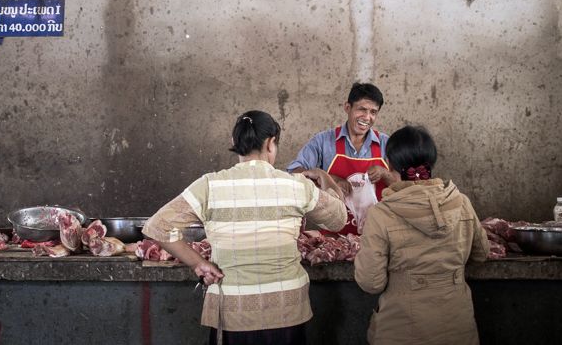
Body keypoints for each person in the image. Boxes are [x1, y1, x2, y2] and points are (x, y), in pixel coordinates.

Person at [142, 110, 347, 345]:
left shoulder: (210, 185)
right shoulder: (297, 186)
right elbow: (338, 219)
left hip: (233, 313)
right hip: (286, 311)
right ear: (271, 143)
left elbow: (157, 226)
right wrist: (326, 178)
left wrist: (198, 263)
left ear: (234, 143)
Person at [353, 125, 490, 345]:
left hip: (400, 330)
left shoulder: (381, 214)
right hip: (458, 329)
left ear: (389, 163)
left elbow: (371, 282)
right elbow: (481, 254)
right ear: (431, 163)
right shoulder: (461, 202)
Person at [288, 82, 398, 235]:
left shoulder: (386, 143)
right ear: (347, 107)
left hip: (379, 237)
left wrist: (385, 174)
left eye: (373, 112)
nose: (367, 117)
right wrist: (329, 178)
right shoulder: (323, 141)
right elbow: (294, 174)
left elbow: (406, 186)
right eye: (362, 109)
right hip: (333, 240)